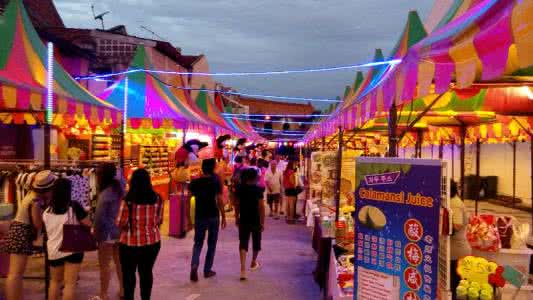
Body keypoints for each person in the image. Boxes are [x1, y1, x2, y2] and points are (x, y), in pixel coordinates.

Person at [2, 171, 56, 300]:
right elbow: (37, 223)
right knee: (15, 273)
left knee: (16, 273)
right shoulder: (35, 201)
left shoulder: (32, 195)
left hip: (18, 231)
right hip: (21, 233)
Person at [116, 168, 162, 300]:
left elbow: (120, 222)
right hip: (152, 242)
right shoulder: (157, 198)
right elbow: (158, 220)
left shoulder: (127, 201)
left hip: (129, 244)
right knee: (146, 273)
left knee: (129, 276)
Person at [43, 178, 91, 300]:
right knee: (70, 284)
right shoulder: (74, 206)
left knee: (54, 282)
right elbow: (88, 223)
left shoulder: (47, 209)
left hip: (53, 250)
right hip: (72, 249)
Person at [188, 158, 227, 282]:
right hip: (213, 216)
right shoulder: (215, 182)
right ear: (212, 168)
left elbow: (188, 201)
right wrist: (223, 216)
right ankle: (207, 270)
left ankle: (194, 265)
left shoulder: (195, 183)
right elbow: (219, 200)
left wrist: (188, 217)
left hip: (200, 216)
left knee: (198, 243)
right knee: (211, 244)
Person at [94, 163, 124, 300]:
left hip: (106, 232)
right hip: (119, 230)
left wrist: (95, 233)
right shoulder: (119, 188)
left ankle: (104, 294)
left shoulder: (104, 194)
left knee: (104, 265)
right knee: (120, 263)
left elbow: (99, 217)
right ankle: (123, 290)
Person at [235, 168, 266, 281]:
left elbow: (237, 204)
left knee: (243, 242)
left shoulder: (239, 189)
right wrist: (262, 222)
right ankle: (253, 261)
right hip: (255, 219)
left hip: (244, 218)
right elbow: (261, 207)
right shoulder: (258, 190)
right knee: (256, 241)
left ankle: (243, 269)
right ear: (254, 178)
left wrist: (236, 217)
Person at [449, 180, 470, 297]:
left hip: (456, 250)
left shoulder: (454, 203)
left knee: (455, 285)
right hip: (453, 248)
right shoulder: (451, 200)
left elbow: (456, 225)